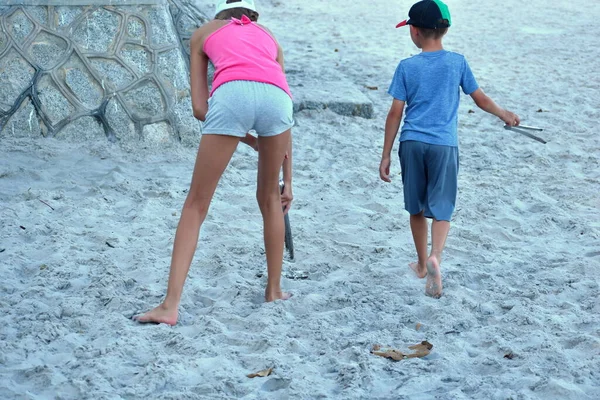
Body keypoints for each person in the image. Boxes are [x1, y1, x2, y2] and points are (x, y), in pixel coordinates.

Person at [135, 0, 294, 325]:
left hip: (231, 94)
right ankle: (274, 289)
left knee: (196, 204)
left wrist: (240, 134)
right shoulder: (270, 36)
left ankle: (170, 306)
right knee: (270, 200)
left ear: (221, 14)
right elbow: (283, 109)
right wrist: (288, 180)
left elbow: (199, 107)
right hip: (278, 101)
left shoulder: (202, 33)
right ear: (253, 16)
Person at [379, 0, 520, 298]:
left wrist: (386, 153)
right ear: (445, 30)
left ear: (414, 32)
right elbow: (480, 99)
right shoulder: (457, 62)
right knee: (442, 207)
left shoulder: (406, 67)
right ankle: (436, 257)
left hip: (412, 143)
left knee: (416, 207)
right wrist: (504, 114)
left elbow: (395, 113)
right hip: (444, 144)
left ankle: (420, 264)